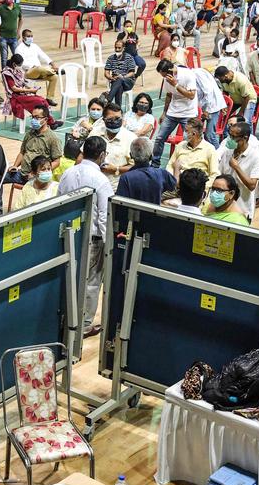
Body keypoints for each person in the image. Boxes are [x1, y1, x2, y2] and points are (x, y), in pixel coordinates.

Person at [59, 136, 112, 336]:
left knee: (68, 278)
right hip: (92, 241)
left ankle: (65, 318)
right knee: (91, 282)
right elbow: (104, 215)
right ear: (102, 155)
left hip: (69, 237)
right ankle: (85, 324)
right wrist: (108, 246)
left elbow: (59, 202)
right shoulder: (101, 180)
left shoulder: (68, 173)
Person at [151, 59, 199, 167]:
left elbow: (191, 95)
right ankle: (155, 163)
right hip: (172, 113)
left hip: (188, 114)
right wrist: (164, 112)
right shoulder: (166, 79)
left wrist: (176, 84)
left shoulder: (188, 75)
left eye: (165, 75)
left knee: (190, 140)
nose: (164, 78)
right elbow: (169, 95)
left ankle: (189, 165)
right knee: (159, 138)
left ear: (172, 70)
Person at [216, 121, 259, 220]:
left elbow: (252, 186)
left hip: (242, 208)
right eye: (230, 136)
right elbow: (219, 175)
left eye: (234, 137)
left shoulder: (256, 157)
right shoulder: (227, 152)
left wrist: (237, 167)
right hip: (223, 204)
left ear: (245, 138)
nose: (230, 139)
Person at [6, 105, 62, 184]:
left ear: (45, 119)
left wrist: (39, 173)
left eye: (36, 117)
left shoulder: (53, 138)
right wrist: (15, 166)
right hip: (22, 174)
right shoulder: (29, 134)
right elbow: (22, 152)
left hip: (38, 180)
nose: (33, 120)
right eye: (32, 117)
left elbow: (57, 162)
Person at [117, 137, 177, 203]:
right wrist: (177, 168)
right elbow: (174, 185)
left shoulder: (126, 178)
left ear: (131, 155)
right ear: (152, 156)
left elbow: (120, 204)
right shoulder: (162, 174)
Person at [89, 102, 136, 185]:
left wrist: (116, 169)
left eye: (118, 118)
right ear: (103, 120)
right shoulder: (95, 132)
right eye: (110, 119)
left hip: (117, 186)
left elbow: (136, 168)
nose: (115, 122)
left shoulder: (131, 138)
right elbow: (83, 155)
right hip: (92, 182)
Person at [14, 30, 59, 104]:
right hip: (28, 72)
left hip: (40, 71)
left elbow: (43, 55)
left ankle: (49, 98)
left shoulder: (34, 46)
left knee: (54, 77)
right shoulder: (19, 49)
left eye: (31, 36)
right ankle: (54, 70)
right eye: (28, 36)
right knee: (39, 68)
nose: (30, 38)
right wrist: (32, 66)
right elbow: (20, 63)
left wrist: (53, 64)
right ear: (23, 37)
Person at [0, 54, 51, 119]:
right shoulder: (7, 73)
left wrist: (30, 88)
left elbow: (23, 83)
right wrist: (30, 90)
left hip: (23, 94)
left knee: (43, 100)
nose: (20, 66)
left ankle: (50, 121)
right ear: (14, 64)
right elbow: (14, 89)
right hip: (15, 97)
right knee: (39, 102)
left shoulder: (17, 71)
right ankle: (42, 121)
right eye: (20, 65)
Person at [167, 117, 219, 181]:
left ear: (194, 134)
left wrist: (204, 188)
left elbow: (214, 174)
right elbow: (170, 165)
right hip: (176, 181)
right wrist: (172, 181)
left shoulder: (210, 149)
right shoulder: (181, 145)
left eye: (186, 131)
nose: (184, 133)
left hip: (196, 187)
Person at [0, 0, 23, 65]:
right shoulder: (1, 8)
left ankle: (16, 74)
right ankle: (4, 75)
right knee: (4, 58)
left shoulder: (17, 7)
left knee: (17, 57)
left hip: (14, 36)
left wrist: (18, 31)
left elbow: (21, 19)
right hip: (3, 37)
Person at [104, 38, 138, 106]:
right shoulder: (110, 58)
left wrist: (123, 77)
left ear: (123, 48)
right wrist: (110, 77)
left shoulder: (129, 57)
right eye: (116, 47)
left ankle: (108, 99)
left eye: (119, 48)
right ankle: (118, 108)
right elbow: (106, 72)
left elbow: (132, 73)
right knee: (119, 87)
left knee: (120, 79)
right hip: (115, 81)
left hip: (128, 81)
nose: (117, 49)